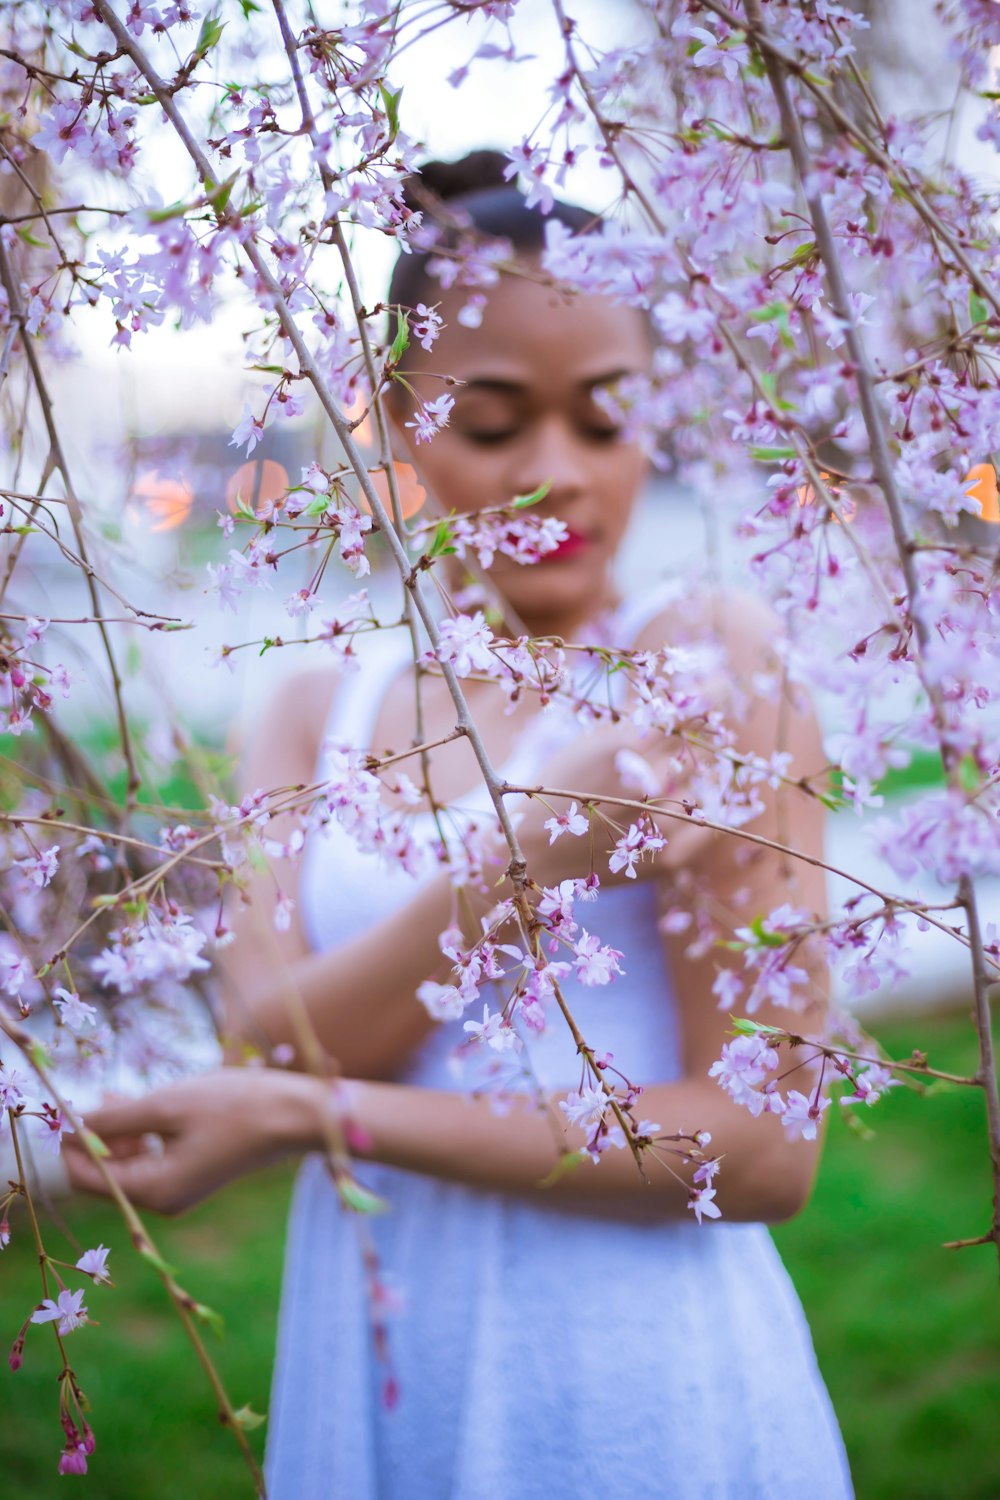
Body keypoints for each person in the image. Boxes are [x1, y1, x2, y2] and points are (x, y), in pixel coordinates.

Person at [67, 152, 854, 1498]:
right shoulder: (314, 704)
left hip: (628, 1374)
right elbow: (276, 1036)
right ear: (396, 417)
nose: (556, 474)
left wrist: (308, 1116)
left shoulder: (715, 668)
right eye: (493, 424)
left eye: (607, 421)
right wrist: (528, 854)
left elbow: (769, 1145)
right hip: (383, 1348)